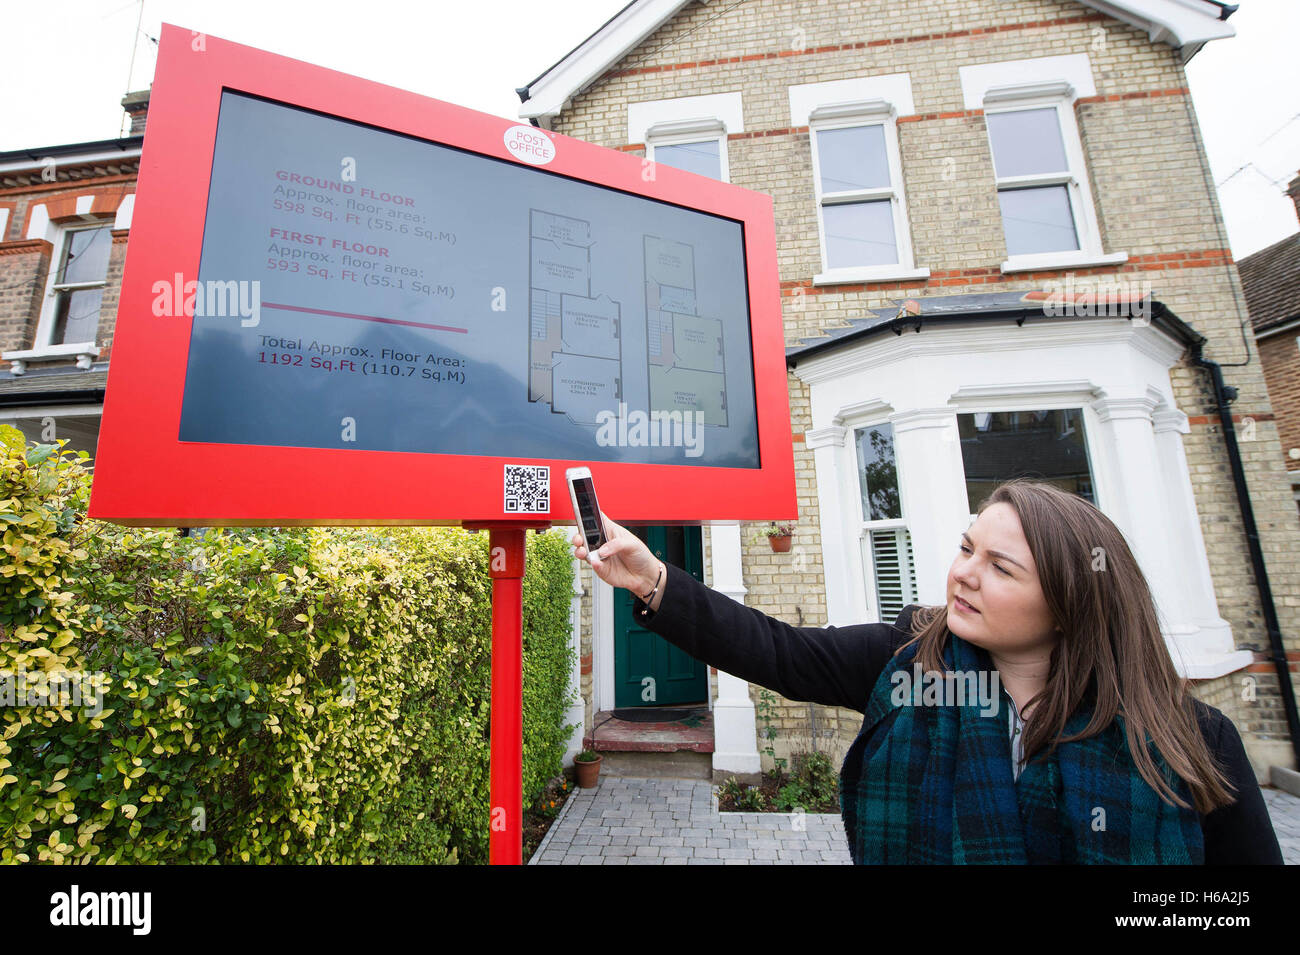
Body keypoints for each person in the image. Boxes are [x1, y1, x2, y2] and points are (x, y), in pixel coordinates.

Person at [569, 478, 1284, 865]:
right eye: (966, 547)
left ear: (1071, 603)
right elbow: (776, 650)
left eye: (999, 566)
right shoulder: (907, 660)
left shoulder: (1192, 740)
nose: (962, 575)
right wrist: (653, 578)